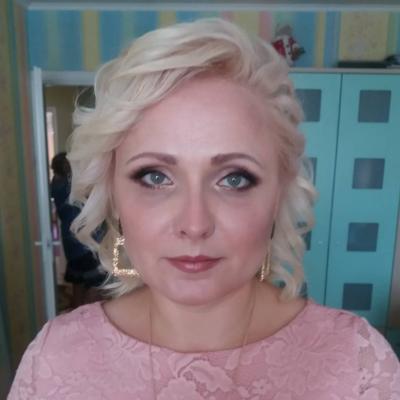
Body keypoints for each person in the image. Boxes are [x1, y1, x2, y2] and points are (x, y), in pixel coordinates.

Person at [9, 18, 399, 399]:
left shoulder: (359, 364)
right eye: (155, 177)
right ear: (113, 195)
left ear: (278, 194)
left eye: (234, 179)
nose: (194, 224)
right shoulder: (55, 360)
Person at [50, 152, 107, 309]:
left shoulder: (54, 184)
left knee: (78, 282)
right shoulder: (73, 184)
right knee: (96, 283)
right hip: (84, 238)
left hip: (69, 240)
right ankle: (91, 313)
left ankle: (76, 312)